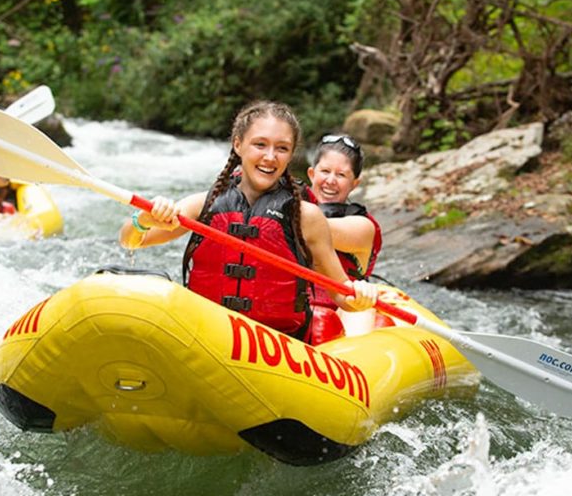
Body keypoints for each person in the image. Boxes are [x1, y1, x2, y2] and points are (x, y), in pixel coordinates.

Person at [119, 101, 377, 341]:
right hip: (207, 333)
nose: (270, 156)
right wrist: (143, 219)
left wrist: (360, 297)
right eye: (260, 144)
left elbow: (342, 294)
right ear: (238, 145)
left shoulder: (307, 216)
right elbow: (131, 241)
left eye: (282, 148)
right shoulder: (205, 204)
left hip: (278, 343)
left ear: (290, 156)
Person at [306, 134, 386, 343]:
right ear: (312, 174)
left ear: (354, 183)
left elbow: (316, 229)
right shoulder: (292, 205)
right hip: (294, 308)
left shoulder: (363, 226)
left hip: (345, 309)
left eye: (341, 174)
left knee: (356, 313)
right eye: (325, 171)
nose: (330, 180)